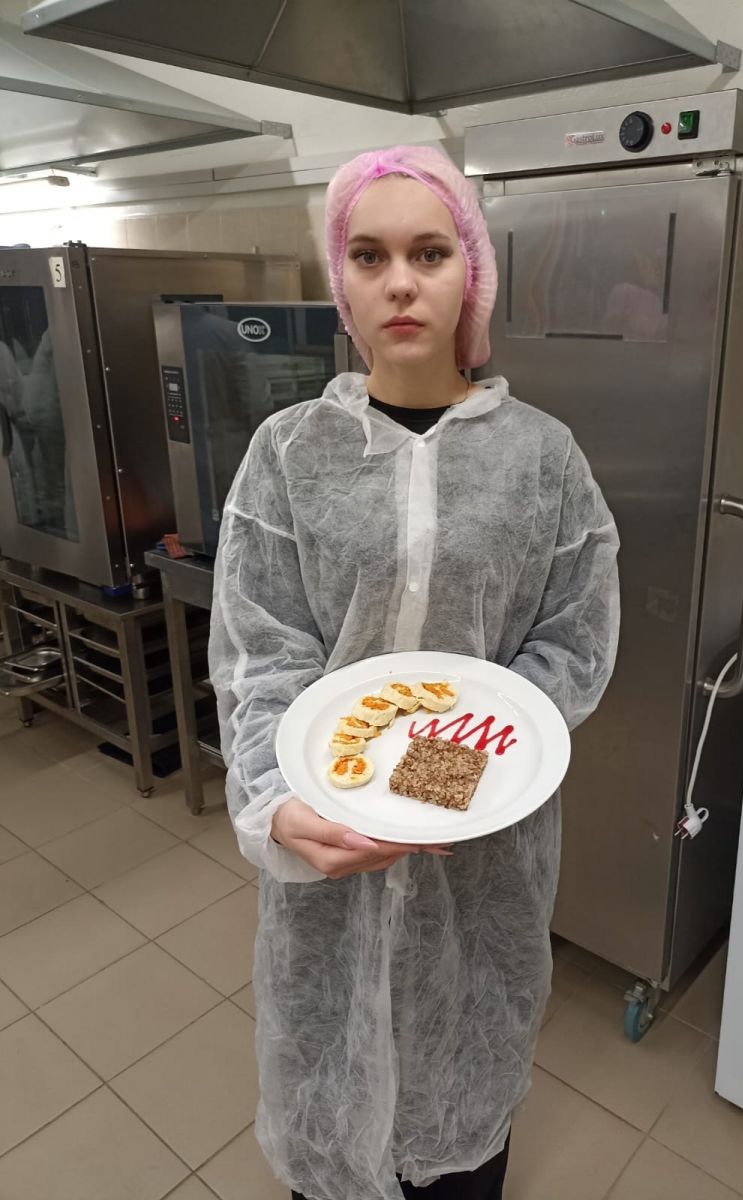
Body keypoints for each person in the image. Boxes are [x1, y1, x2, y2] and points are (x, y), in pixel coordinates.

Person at [209, 144, 620, 1200]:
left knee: (460, 1116)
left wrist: (436, 785)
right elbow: (261, 651)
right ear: (340, 281)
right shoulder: (288, 452)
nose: (399, 282)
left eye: (429, 253)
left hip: (484, 860)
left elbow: (571, 642)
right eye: (369, 255)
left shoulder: (543, 457)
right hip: (327, 854)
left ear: (469, 272)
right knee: (332, 1102)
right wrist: (275, 798)